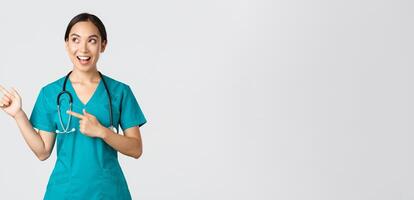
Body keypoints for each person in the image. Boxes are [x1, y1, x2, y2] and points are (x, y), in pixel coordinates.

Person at [0, 13, 147, 200]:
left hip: (108, 192)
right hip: (63, 193)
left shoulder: (120, 92)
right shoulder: (50, 93)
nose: (83, 49)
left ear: (103, 45)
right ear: (67, 44)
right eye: (75, 40)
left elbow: (136, 149)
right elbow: (43, 151)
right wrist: (18, 114)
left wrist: (102, 131)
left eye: (92, 41)